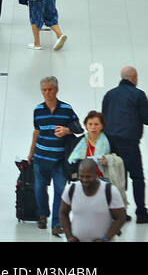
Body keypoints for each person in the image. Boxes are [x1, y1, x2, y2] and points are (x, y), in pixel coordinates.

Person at [29, 75, 83, 236]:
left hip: (60, 160)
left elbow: (79, 128)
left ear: (57, 90)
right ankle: (43, 214)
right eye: (44, 90)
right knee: (39, 189)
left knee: (60, 190)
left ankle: (57, 223)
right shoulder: (38, 110)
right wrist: (31, 152)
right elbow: (37, 131)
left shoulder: (66, 109)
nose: (47, 93)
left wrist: (67, 130)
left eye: (50, 89)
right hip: (40, 157)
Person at [101, 67, 148, 224]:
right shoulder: (138, 95)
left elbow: (103, 117)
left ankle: (119, 213)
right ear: (134, 78)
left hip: (111, 144)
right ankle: (141, 213)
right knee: (137, 177)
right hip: (129, 143)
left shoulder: (109, 94)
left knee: (117, 178)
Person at [61, 159, 129, 242]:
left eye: (88, 177)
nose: (85, 180)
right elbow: (63, 213)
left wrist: (105, 239)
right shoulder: (71, 189)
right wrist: (69, 236)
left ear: (96, 174)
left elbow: (121, 218)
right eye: (81, 176)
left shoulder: (110, 191)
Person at [68, 111, 112, 180]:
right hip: (84, 180)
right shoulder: (78, 141)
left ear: (102, 126)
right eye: (90, 124)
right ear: (86, 125)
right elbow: (72, 163)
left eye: (96, 124)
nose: (93, 127)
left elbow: (119, 160)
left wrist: (108, 160)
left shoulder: (110, 141)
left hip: (105, 178)